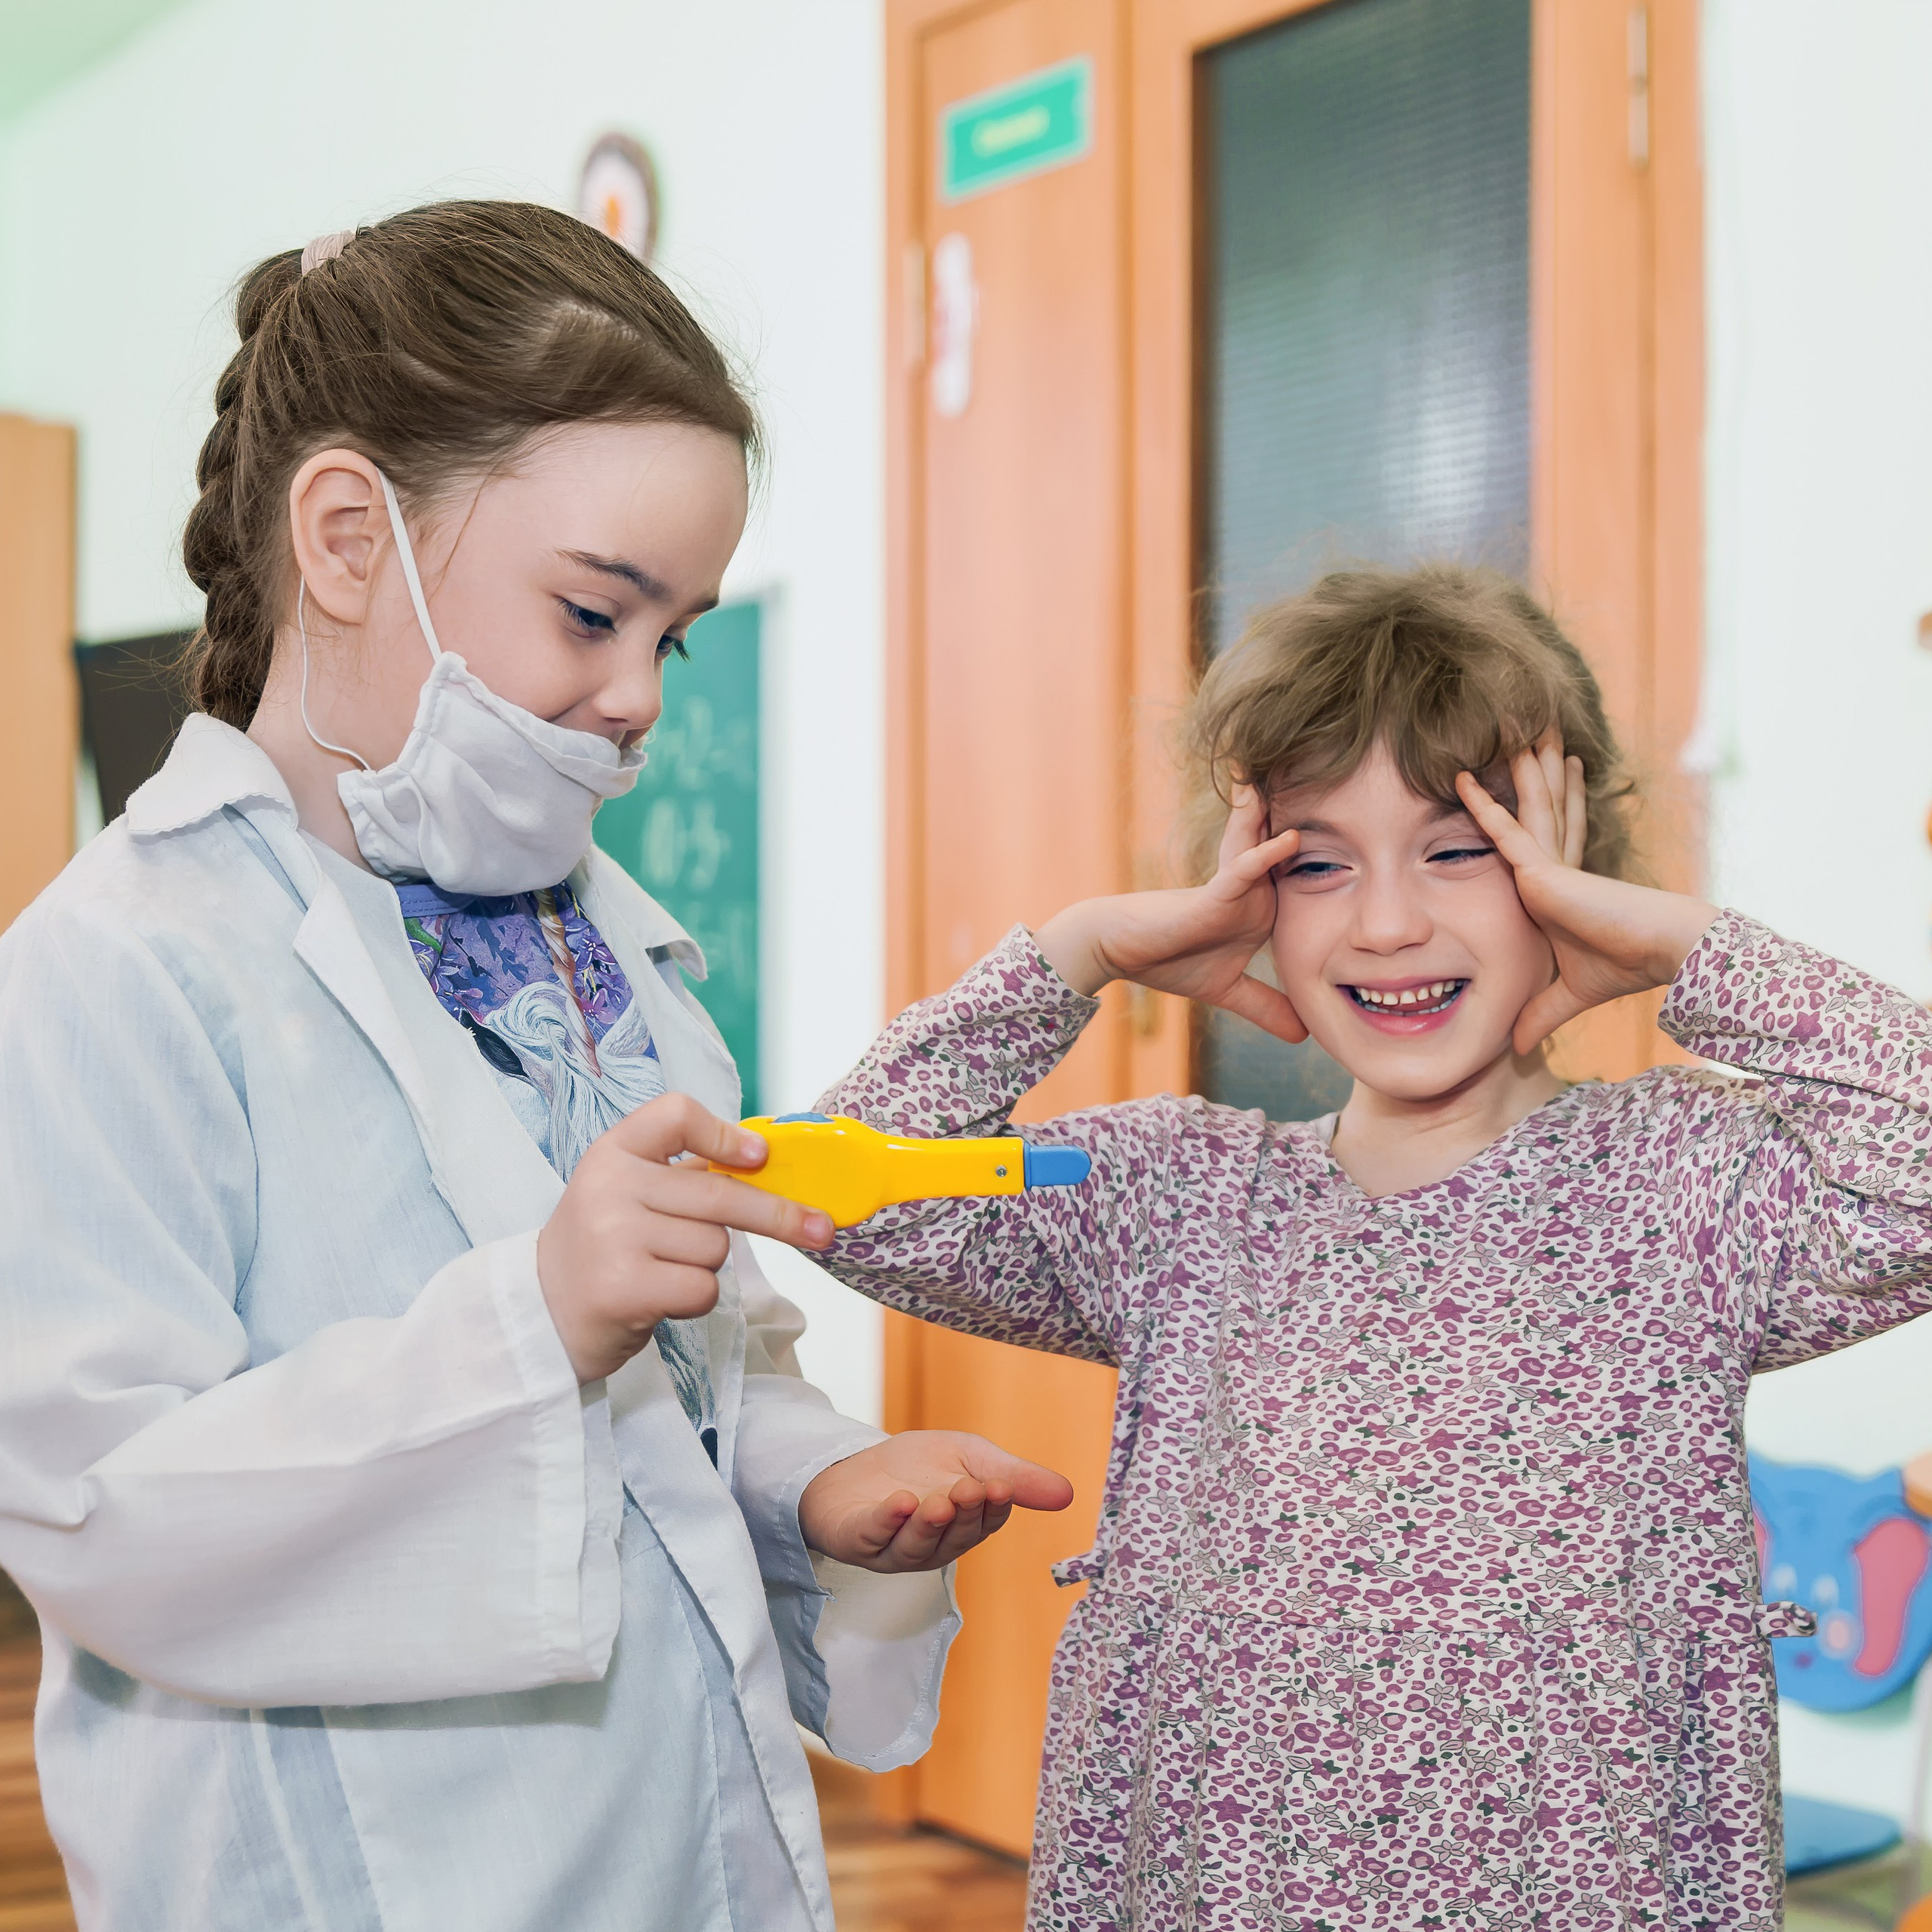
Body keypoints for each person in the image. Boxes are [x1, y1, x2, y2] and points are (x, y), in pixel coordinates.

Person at [0, 202, 1070, 1932]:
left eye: (678, 634)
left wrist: (809, 1483)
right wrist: (534, 1319)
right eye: (592, 612)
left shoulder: (611, 961)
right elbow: (99, 1507)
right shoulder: (115, 973)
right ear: (348, 538)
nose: (638, 695)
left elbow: (697, 1380)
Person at [809, 565, 1932, 1930]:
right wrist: (1080, 951)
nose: (1387, 921)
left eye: (1461, 849)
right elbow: (863, 1191)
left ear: (1569, 870)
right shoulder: (1180, 1195)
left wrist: (1684, 951)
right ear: (1244, 899)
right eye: (1316, 864)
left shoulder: (1688, 1180)